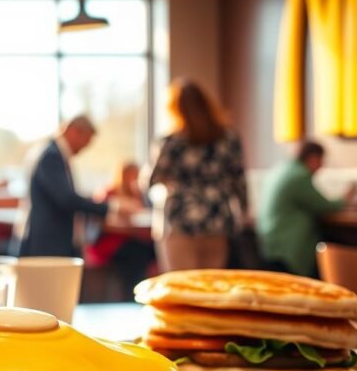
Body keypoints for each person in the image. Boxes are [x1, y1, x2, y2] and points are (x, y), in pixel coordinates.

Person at [148, 79, 247, 271]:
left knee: (181, 285)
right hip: (217, 217)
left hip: (180, 218)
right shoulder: (229, 139)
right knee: (210, 287)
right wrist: (243, 210)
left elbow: (152, 180)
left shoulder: (170, 142)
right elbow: (239, 181)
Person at [17, 116, 135, 257]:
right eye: (86, 141)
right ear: (73, 131)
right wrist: (111, 207)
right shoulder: (51, 156)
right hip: (48, 242)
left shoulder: (52, 153)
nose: (84, 147)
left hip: (51, 239)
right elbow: (67, 199)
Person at [257, 141, 357, 277]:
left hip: (269, 242)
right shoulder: (299, 175)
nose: (322, 166)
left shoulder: (281, 170)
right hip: (287, 247)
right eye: (321, 160)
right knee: (339, 250)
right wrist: (346, 198)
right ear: (313, 158)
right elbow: (325, 206)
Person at [85, 161, 157, 293]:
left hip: (132, 240)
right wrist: (129, 227)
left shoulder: (139, 195)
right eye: (130, 175)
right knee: (136, 253)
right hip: (110, 244)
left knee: (151, 250)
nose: (133, 179)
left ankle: (151, 291)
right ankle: (132, 294)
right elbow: (101, 224)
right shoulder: (108, 193)